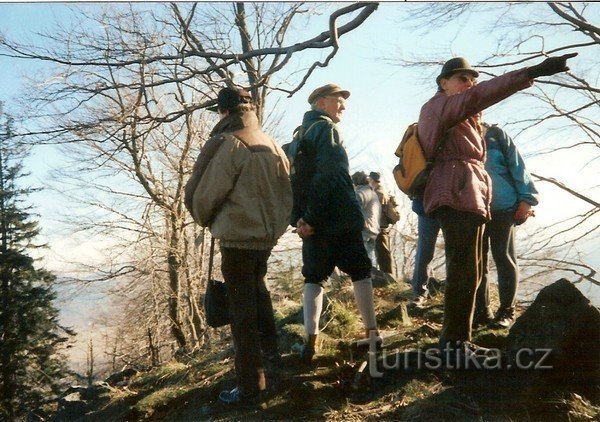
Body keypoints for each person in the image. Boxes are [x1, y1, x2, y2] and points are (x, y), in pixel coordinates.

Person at [418, 53, 576, 356]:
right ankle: (453, 345)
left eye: (472, 78)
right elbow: (482, 94)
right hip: (455, 193)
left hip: (466, 194)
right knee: (463, 269)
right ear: (443, 83)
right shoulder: (440, 106)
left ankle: (459, 339)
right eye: (462, 78)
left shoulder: (457, 111)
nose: (470, 83)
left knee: (472, 269)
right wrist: (532, 71)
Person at [184, 87, 292, 405]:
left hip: (237, 239)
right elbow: (287, 195)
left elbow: (202, 194)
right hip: (266, 239)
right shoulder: (270, 142)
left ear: (225, 112)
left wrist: (205, 218)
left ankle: (250, 386)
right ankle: (274, 370)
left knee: (242, 313)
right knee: (260, 300)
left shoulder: (229, 142)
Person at [292, 83, 380, 363]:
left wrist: (302, 219)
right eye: (338, 100)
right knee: (360, 272)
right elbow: (331, 175)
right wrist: (314, 218)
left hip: (312, 220)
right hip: (338, 218)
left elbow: (296, 182)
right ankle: (372, 334)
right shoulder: (327, 129)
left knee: (313, 277)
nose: (343, 105)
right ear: (321, 103)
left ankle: (310, 342)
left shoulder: (301, 133)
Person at [473, 123, 539, 328]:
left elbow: (518, 166)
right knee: (477, 262)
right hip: (472, 208)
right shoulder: (458, 134)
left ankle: (507, 312)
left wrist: (527, 199)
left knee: (504, 257)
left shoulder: (496, 135)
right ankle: (481, 311)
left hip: (503, 207)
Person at [410, 196, 441, 308]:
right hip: (427, 204)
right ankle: (419, 293)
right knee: (424, 251)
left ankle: (454, 294)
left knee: (454, 253)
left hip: (453, 206)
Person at [368, 171, 397, 277]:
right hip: (382, 227)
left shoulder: (377, 193)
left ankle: (388, 277)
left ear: (372, 180)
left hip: (380, 227)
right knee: (382, 252)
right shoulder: (381, 190)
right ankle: (387, 276)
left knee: (383, 253)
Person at [352, 171, 381, 268]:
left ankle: (364, 279)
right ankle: (370, 279)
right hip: (373, 229)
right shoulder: (373, 193)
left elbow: (352, 207)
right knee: (368, 258)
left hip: (364, 230)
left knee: (361, 260)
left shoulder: (362, 193)